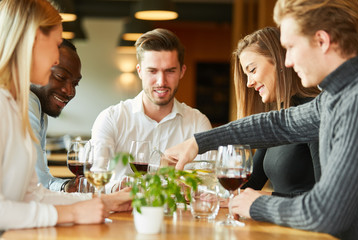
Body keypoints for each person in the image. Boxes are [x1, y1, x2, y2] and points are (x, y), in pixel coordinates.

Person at [163, 0, 358, 238]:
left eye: (291, 47)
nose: (287, 62)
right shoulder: (332, 98)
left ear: (322, 40)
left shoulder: (353, 101)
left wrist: (256, 204)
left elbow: (327, 213)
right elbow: (277, 124)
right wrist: (197, 142)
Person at [0, 0, 131, 230]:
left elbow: (34, 195)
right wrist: (73, 212)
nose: (56, 57)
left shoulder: (14, 104)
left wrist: (106, 201)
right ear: (32, 41)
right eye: (56, 44)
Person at [90, 28, 212, 191]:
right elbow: (94, 180)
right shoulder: (112, 118)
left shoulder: (198, 122)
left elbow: (210, 182)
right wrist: (121, 186)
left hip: (178, 216)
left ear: (182, 72)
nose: (161, 81)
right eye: (152, 71)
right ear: (140, 71)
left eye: (170, 71)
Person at [234, 27, 321, 196]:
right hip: (278, 222)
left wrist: (263, 202)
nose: (248, 83)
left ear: (280, 62)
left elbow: (326, 200)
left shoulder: (314, 113)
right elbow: (249, 185)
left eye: (252, 70)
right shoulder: (277, 118)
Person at [30, 39, 82, 192]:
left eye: (75, 83)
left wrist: (65, 187)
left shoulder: (39, 110)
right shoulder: (24, 104)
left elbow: (41, 182)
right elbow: (34, 191)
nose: (70, 91)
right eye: (61, 77)